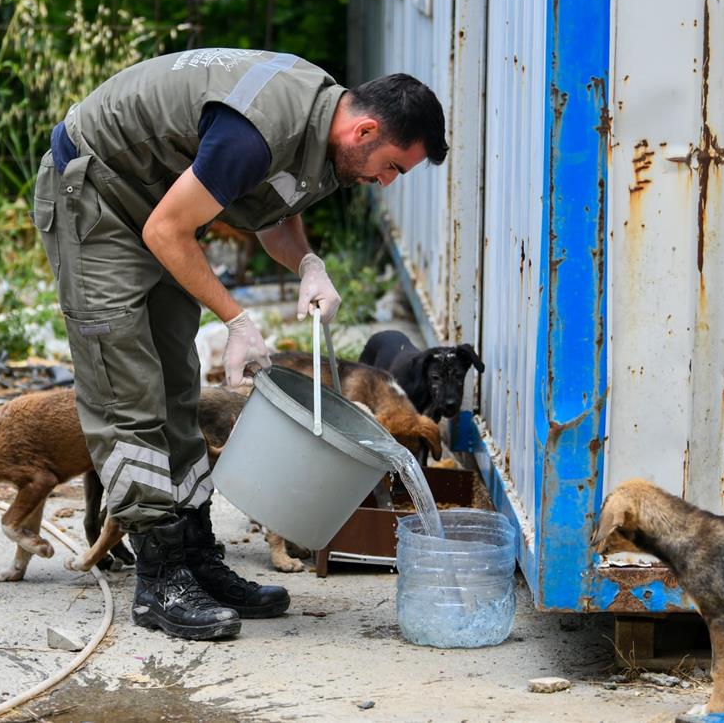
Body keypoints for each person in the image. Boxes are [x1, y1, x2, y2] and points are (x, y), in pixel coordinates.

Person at [32, 47, 447, 640]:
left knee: (178, 385)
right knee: (129, 392)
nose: (384, 182)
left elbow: (273, 212)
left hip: (157, 202)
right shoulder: (260, 128)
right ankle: (159, 578)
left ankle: (196, 554)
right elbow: (166, 230)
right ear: (366, 129)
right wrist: (236, 319)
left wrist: (307, 262)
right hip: (97, 197)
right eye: (391, 168)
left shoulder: (321, 121)